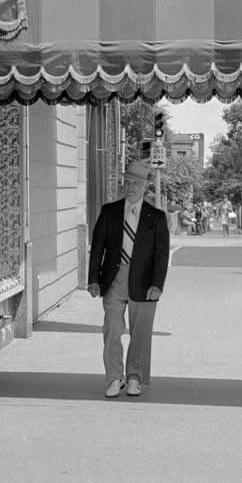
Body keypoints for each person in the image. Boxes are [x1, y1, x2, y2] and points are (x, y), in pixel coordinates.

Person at [87, 159, 170, 398]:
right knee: (112, 329)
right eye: (128, 182)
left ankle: (135, 377)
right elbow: (98, 248)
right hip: (114, 278)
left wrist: (157, 285)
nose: (131, 187)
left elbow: (161, 255)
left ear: (145, 187)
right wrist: (93, 279)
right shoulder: (109, 211)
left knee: (140, 332)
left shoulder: (155, 217)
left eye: (136, 183)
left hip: (145, 283)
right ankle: (114, 378)